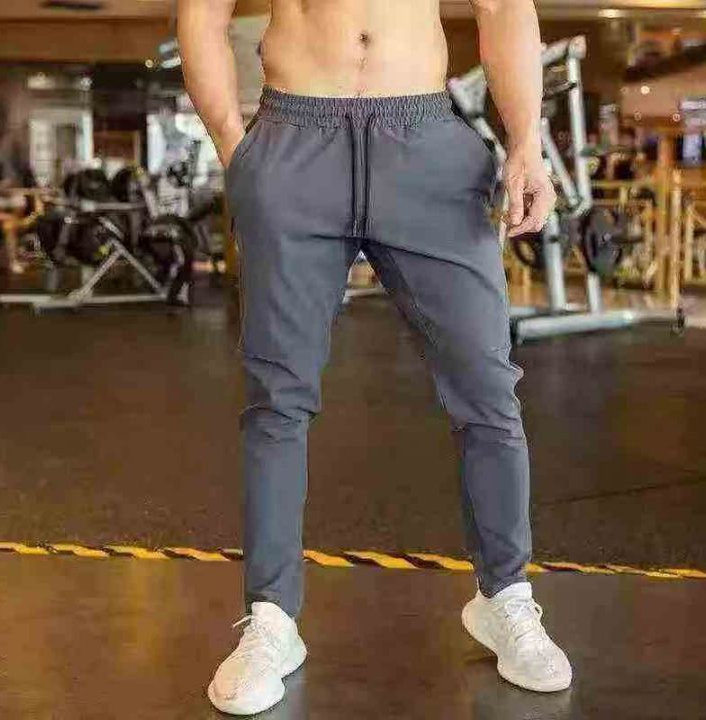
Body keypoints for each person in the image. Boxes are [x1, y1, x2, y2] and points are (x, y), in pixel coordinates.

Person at [178, 0, 571, 714]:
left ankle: (506, 597)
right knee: (277, 398)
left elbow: (503, 5)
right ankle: (271, 619)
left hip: (425, 142)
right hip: (295, 136)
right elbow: (201, 12)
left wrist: (526, 145)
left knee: (487, 389)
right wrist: (234, 141)